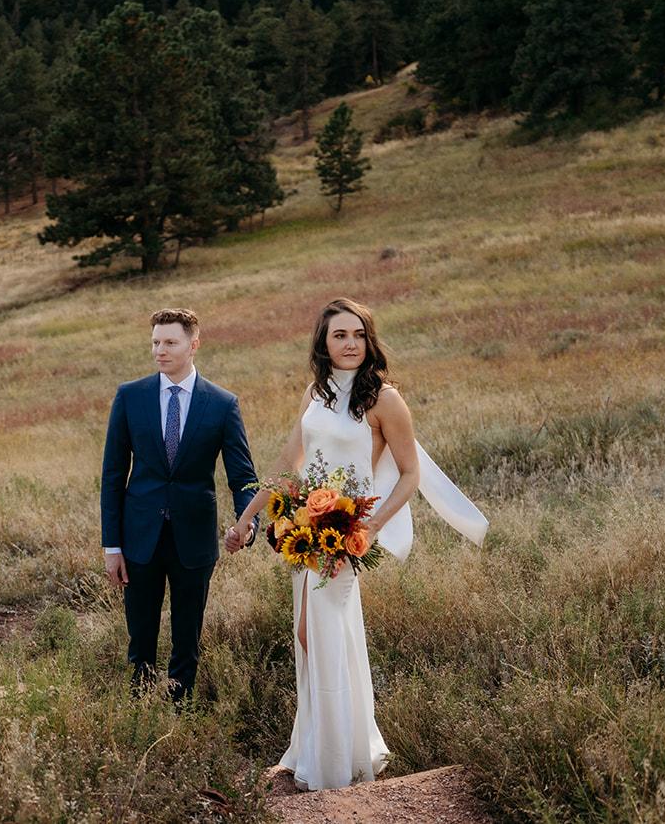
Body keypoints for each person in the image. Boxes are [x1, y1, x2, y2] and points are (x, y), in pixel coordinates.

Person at [226, 297, 488, 791]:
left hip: (345, 535)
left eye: (358, 335)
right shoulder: (315, 392)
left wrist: (369, 527)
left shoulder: (383, 400)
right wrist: (246, 521)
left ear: (370, 340)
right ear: (323, 344)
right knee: (309, 637)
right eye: (339, 335)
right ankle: (316, 750)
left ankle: (330, 769)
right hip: (306, 531)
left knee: (321, 635)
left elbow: (409, 475)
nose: (350, 344)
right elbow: (290, 462)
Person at [101, 307, 259, 702]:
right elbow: (113, 476)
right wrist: (112, 546)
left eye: (170, 342)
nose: (160, 350)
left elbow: (242, 477)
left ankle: (179, 709)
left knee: (187, 635)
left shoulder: (222, 404)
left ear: (194, 345)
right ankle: (138, 708)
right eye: (155, 342)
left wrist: (248, 522)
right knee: (141, 636)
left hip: (194, 540)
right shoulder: (130, 396)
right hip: (139, 538)